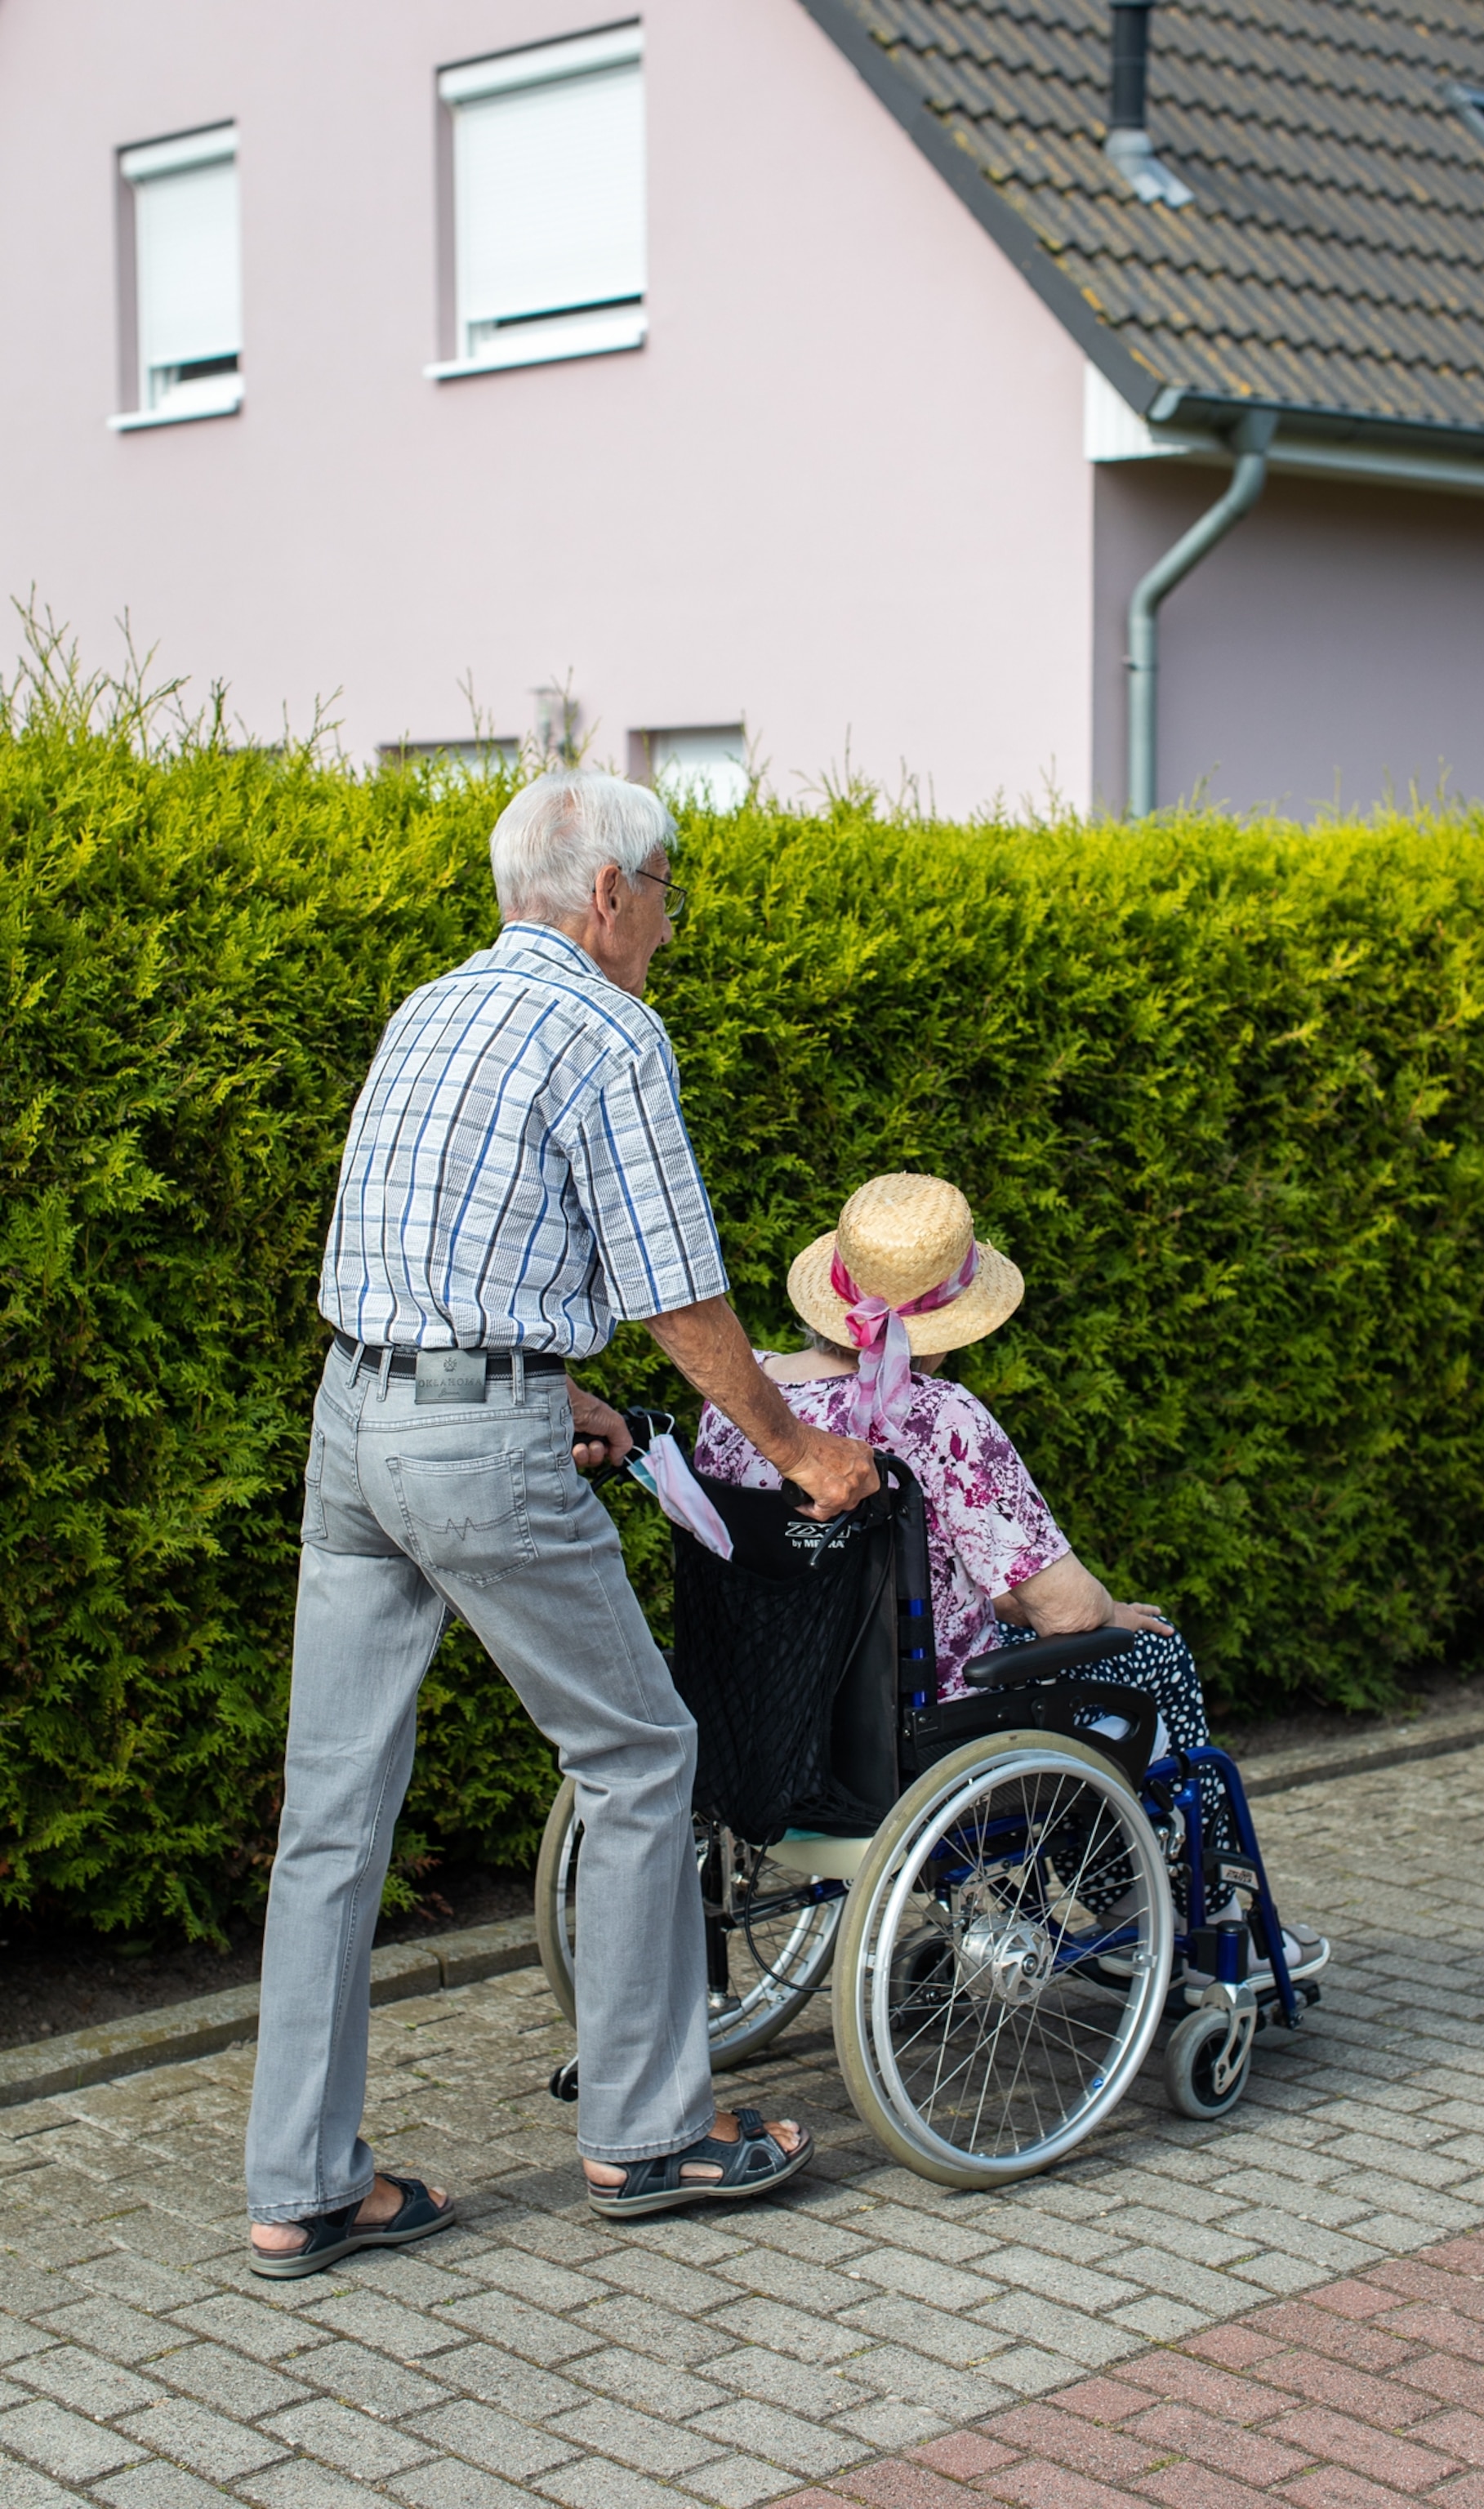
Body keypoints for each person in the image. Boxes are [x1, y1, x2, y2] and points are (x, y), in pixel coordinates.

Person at [244, 771, 879, 2273]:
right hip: (470, 1432)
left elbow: (433, 1246)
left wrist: (550, 1389)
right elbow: (676, 1289)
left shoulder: (429, 1007)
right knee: (642, 1751)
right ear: (607, 892)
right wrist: (793, 1446)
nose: (669, 917)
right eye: (666, 887)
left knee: (330, 1812)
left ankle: (300, 2180)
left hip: (354, 1415)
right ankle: (654, 2134)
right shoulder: (608, 1029)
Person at [694, 1171, 1327, 1973]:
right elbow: (1058, 1607)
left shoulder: (737, 1403)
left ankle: (1132, 1894)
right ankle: (1173, 1907)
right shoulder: (939, 1418)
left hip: (761, 1729)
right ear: (951, 1322)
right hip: (906, 1739)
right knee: (1149, 1651)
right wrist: (1108, 1609)